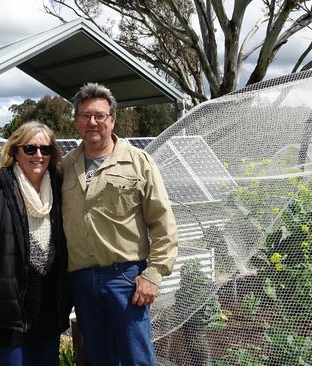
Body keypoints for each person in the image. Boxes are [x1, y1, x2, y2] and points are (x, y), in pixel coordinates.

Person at [61, 83, 178, 365]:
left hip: (125, 277)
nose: (92, 122)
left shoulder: (139, 163)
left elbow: (162, 223)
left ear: (112, 120)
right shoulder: (65, 167)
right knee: (100, 357)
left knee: (136, 358)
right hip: (82, 280)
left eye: (100, 115)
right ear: (76, 121)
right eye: (85, 115)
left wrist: (153, 274)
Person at [0, 121, 72, 366]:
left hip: (49, 310)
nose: (38, 155)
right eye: (30, 149)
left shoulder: (61, 191)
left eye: (45, 149)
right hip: (7, 312)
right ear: (15, 151)